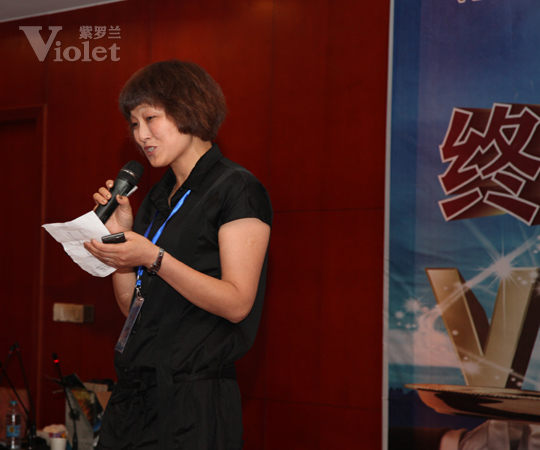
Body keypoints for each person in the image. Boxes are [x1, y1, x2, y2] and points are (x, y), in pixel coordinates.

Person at [84, 59, 272, 450]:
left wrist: (154, 256)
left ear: (189, 109)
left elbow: (238, 303)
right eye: (134, 124)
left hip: (193, 403)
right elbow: (131, 308)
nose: (141, 135)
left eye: (150, 118)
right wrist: (121, 241)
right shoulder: (157, 197)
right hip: (134, 397)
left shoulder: (236, 188)